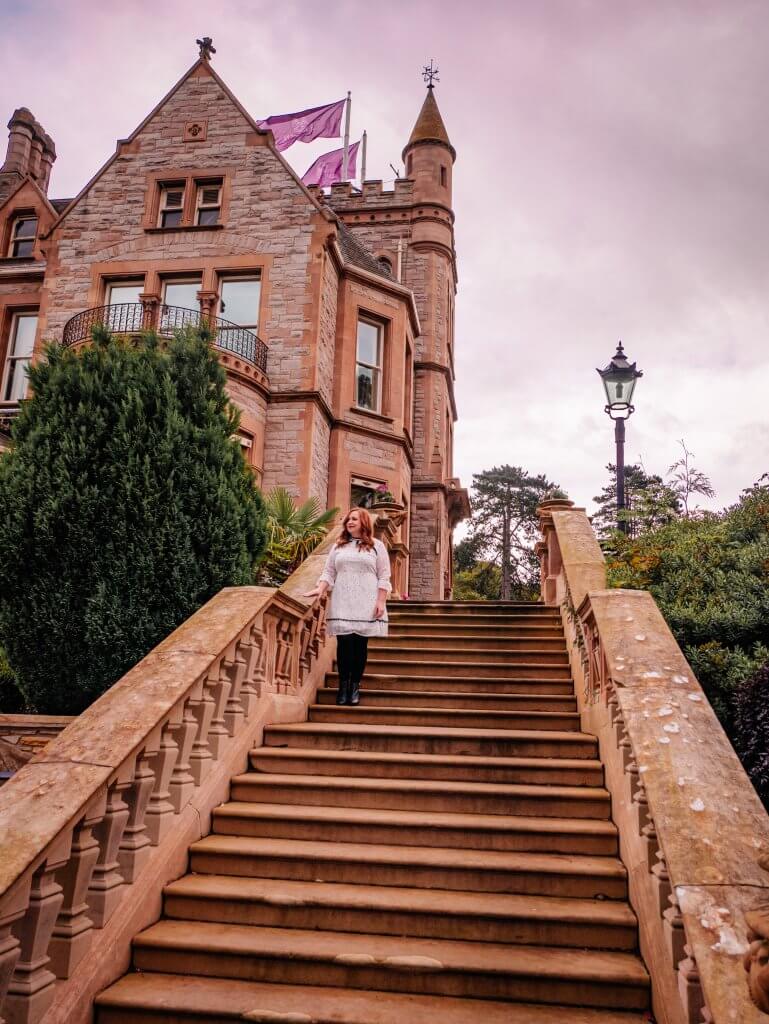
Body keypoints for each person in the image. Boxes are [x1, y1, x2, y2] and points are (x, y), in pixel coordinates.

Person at [305, 507, 391, 705]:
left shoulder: (377, 546)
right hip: (343, 600)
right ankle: (343, 686)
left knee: (360, 645)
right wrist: (319, 589)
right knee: (344, 645)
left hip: (366, 600)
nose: (349, 522)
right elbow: (329, 572)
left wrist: (380, 601)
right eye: (347, 519)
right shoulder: (338, 546)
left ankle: (355, 687)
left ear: (364, 522)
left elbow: (384, 575)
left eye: (354, 519)